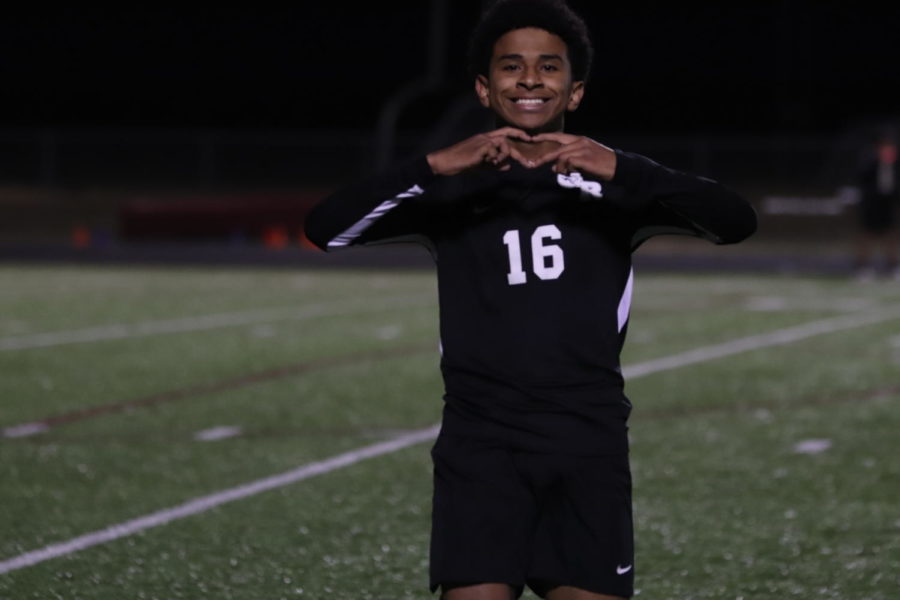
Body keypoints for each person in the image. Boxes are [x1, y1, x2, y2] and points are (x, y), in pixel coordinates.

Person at [304, 1, 757, 598]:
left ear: (574, 92)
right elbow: (326, 228)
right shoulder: (450, 188)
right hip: (480, 443)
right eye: (511, 66)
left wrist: (625, 167)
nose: (529, 79)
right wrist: (435, 164)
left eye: (549, 67)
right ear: (484, 87)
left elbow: (735, 221)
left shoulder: (616, 185)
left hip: (586, 441)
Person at [853, 132, 900, 281]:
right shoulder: (869, 160)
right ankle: (863, 268)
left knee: (891, 235)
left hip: (889, 204)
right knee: (867, 235)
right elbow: (861, 179)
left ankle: (892, 267)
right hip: (871, 204)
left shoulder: (896, 163)